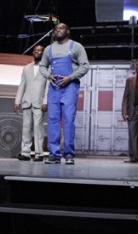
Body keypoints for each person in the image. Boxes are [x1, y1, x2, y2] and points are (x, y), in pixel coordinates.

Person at [39, 23, 89, 165]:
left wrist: (71, 77)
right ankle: (54, 154)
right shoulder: (49, 49)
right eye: (56, 29)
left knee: (68, 120)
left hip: (70, 87)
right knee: (53, 121)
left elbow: (85, 65)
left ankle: (68, 154)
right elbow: (42, 65)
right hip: (54, 88)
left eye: (61, 28)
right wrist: (48, 75)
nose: (58, 31)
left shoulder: (76, 46)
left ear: (67, 31)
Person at [13, 45, 48, 162]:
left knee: (38, 129)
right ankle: (25, 153)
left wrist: (45, 101)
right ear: (33, 52)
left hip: (39, 102)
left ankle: (39, 153)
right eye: (35, 50)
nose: (37, 52)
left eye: (40, 50)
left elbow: (48, 87)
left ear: (43, 53)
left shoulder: (48, 68)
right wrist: (17, 101)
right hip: (27, 101)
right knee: (26, 128)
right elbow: (22, 85)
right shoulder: (26, 68)